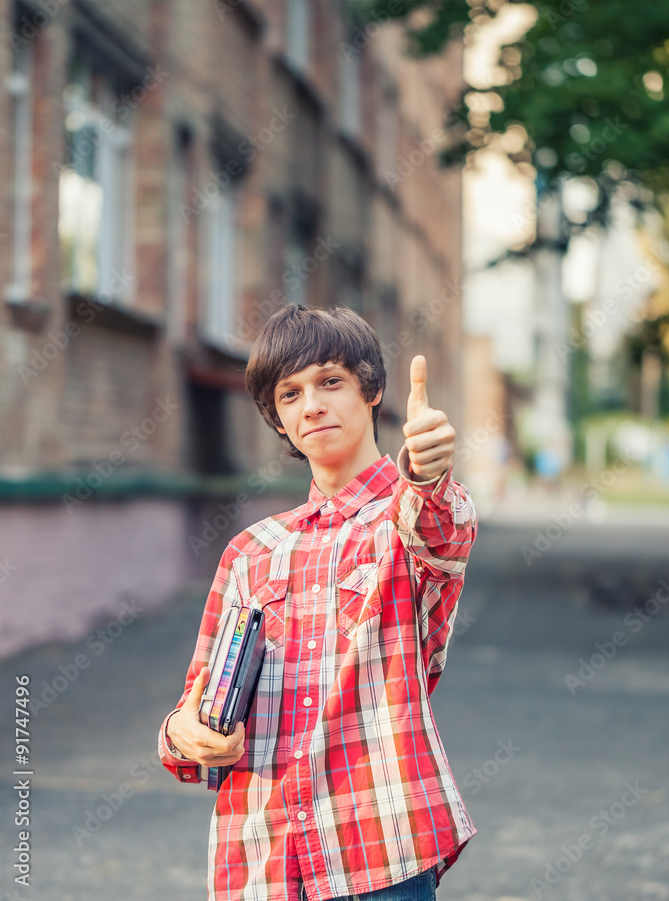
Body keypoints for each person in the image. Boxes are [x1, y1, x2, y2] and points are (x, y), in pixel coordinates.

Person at [157, 304, 477, 901]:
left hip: (377, 855)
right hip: (261, 864)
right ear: (277, 419)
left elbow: (440, 528)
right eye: (289, 394)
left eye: (330, 382)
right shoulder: (250, 553)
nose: (311, 405)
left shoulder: (402, 524)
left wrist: (428, 471)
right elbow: (193, 711)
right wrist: (185, 733)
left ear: (372, 390)